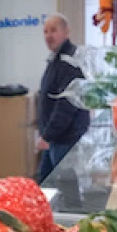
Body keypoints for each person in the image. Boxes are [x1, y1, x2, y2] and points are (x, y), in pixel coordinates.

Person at [34, 13, 87, 181]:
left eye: (53, 30)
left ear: (66, 32)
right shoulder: (55, 60)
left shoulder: (68, 62)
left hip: (64, 139)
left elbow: (65, 106)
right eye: (45, 31)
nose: (48, 36)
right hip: (56, 139)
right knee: (45, 182)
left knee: (65, 187)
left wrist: (47, 135)